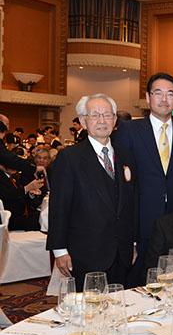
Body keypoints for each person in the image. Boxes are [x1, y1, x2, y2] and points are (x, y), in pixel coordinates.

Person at [46, 94, 138, 291]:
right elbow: (59, 206)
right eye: (95, 115)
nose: (102, 120)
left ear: (115, 120)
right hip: (85, 253)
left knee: (120, 304)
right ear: (83, 121)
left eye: (107, 115)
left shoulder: (127, 157)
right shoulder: (69, 158)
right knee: (89, 306)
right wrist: (59, 250)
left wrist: (133, 242)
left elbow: (132, 204)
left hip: (122, 252)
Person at [115, 72, 173, 286]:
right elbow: (122, 182)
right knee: (140, 282)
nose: (164, 99)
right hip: (141, 222)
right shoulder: (129, 130)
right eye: (158, 93)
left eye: (170, 94)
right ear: (147, 97)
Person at [0, 163, 43, 231]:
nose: (13, 167)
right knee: (35, 222)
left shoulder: (14, 177)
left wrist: (30, 193)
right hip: (10, 216)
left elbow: (21, 194)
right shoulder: (2, 178)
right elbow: (8, 195)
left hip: (22, 212)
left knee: (42, 217)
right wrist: (27, 188)